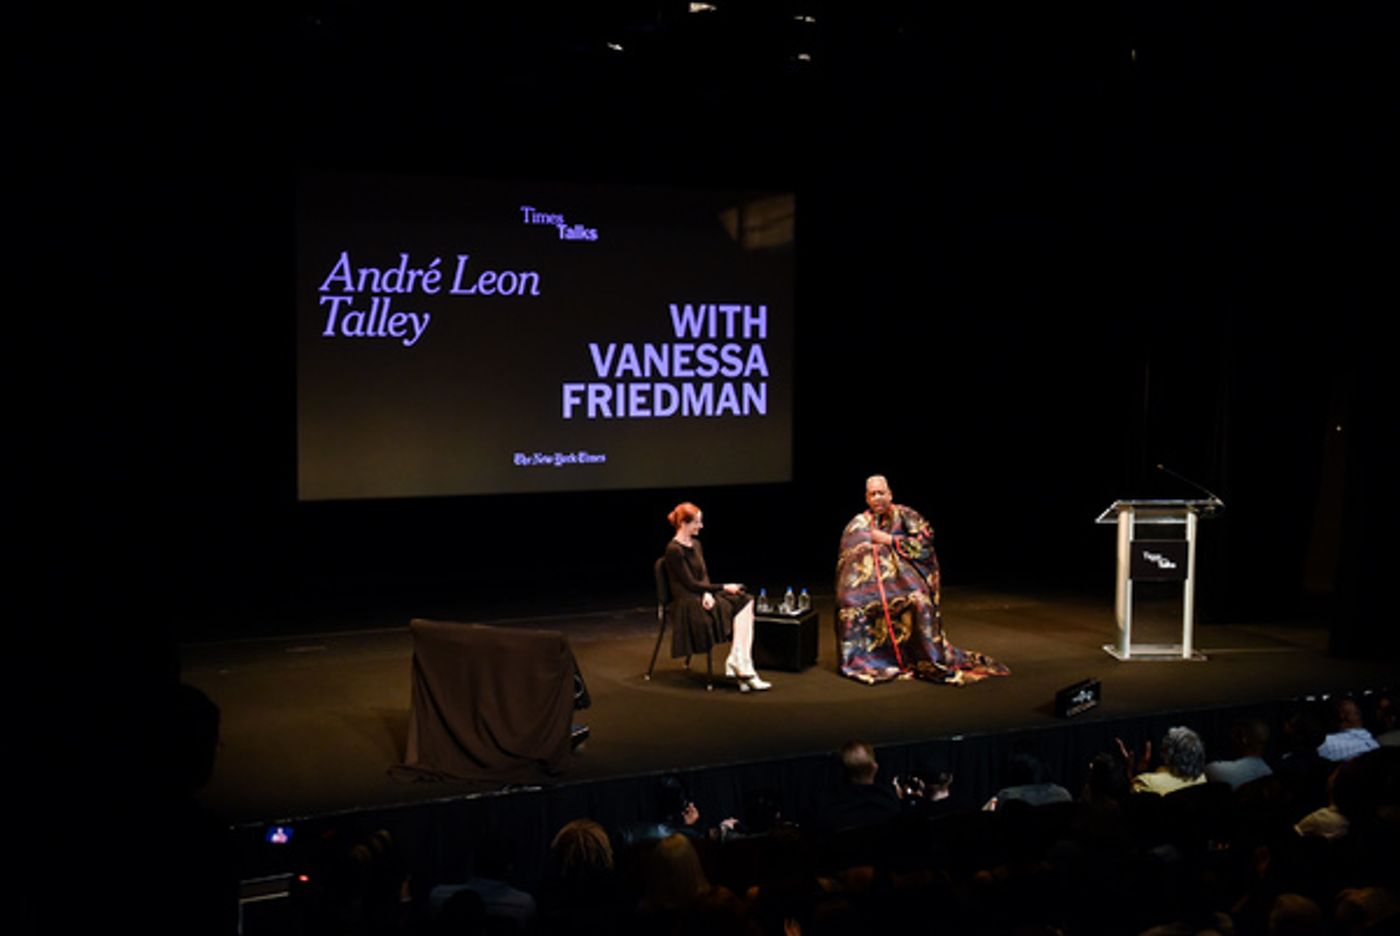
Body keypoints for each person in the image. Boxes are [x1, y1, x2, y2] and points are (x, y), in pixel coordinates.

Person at [834, 475, 1009, 684]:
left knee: (919, 601)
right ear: (866, 498)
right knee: (850, 604)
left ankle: (925, 659)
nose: (878, 498)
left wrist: (890, 541)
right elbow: (848, 558)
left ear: (890, 494)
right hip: (873, 586)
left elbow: (925, 543)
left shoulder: (906, 515)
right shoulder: (858, 523)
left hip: (905, 581)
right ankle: (871, 661)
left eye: (881, 493)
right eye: (873, 494)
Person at [665, 502, 770, 691]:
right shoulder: (674, 550)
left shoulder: (696, 544)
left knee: (745, 600)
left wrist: (707, 592)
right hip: (687, 602)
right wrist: (721, 587)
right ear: (683, 523)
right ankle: (744, 668)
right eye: (697, 522)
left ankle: (739, 659)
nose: (701, 526)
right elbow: (689, 584)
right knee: (733, 599)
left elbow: (703, 575)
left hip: (700, 593)